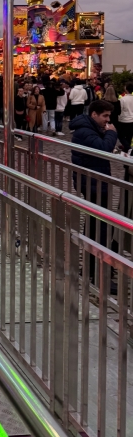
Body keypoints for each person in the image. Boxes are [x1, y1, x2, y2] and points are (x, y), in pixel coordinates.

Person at [69, 99, 119, 285]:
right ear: (94, 114)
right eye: (105, 116)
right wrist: (112, 134)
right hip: (93, 183)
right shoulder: (84, 131)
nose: (107, 120)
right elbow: (102, 149)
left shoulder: (88, 128)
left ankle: (92, 269)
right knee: (101, 227)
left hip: (94, 182)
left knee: (95, 225)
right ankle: (99, 274)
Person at [117, 82, 133, 153]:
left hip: (123, 120)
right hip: (132, 120)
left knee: (121, 136)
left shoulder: (122, 99)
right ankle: (127, 150)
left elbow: (120, 110)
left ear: (126, 89)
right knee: (129, 137)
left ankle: (128, 148)